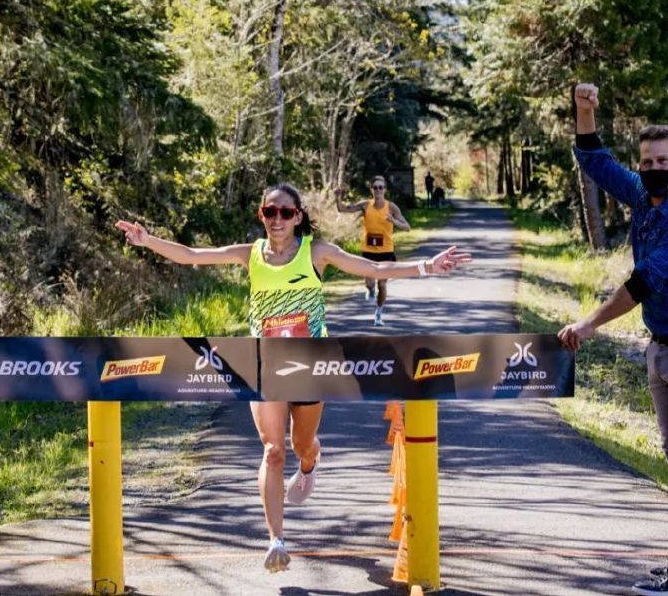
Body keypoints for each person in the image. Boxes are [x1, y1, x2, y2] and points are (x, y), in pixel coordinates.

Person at [117, 183, 467, 573]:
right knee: (272, 449)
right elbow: (192, 256)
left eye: (286, 212)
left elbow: (375, 268)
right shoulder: (250, 255)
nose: (278, 219)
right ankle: (276, 540)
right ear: (261, 215)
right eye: (271, 212)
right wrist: (148, 240)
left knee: (302, 444)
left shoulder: (316, 252)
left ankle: (310, 463)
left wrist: (426, 266)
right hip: (265, 365)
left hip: (310, 366)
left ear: (298, 216)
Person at [559, 84, 668, 596]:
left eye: (662, 159)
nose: (653, 166)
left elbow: (643, 283)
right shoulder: (643, 194)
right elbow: (595, 162)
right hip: (662, 345)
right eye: (647, 159)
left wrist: (590, 323)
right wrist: (585, 110)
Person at [335, 176, 412, 326]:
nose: (378, 190)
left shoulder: (391, 208)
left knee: (382, 284)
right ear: (371, 189)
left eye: (380, 187)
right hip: (368, 251)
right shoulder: (365, 205)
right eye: (375, 187)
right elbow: (343, 209)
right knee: (370, 283)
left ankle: (378, 313)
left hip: (386, 252)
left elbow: (407, 227)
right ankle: (370, 289)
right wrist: (338, 197)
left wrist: (394, 221)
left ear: (385, 190)